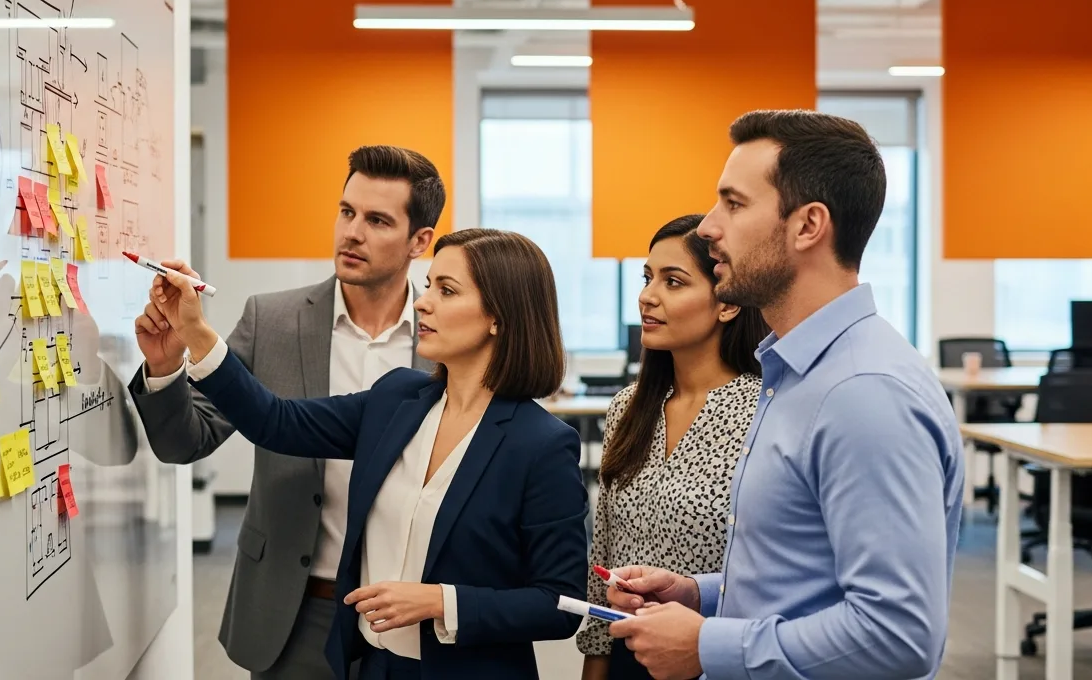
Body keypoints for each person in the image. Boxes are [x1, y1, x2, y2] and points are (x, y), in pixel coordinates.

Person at [606, 110, 964, 680]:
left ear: (807, 226)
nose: (709, 227)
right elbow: (804, 580)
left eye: (734, 204)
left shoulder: (862, 392)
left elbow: (899, 633)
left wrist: (709, 645)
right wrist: (700, 594)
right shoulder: (794, 373)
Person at [150, 227, 588, 680]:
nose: (422, 303)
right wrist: (195, 332)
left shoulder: (542, 444)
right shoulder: (397, 399)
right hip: (373, 666)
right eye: (429, 284)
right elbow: (275, 421)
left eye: (447, 290)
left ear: (499, 317)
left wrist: (443, 601)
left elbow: (561, 603)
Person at [128, 145, 445, 680]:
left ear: (419, 241)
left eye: (377, 220)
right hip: (296, 609)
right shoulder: (271, 320)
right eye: (346, 212)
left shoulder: (444, 341)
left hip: (409, 613)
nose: (352, 233)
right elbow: (186, 441)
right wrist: (165, 368)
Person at [577, 214, 769, 680]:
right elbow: (604, 559)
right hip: (627, 657)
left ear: (727, 303)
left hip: (714, 658)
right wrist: (596, 666)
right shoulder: (629, 407)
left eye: (673, 281)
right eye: (647, 278)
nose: (647, 295)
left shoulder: (767, 413)